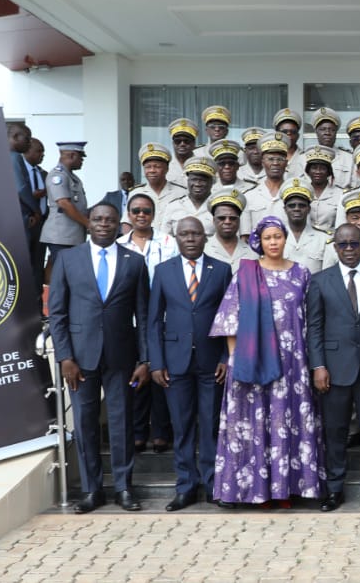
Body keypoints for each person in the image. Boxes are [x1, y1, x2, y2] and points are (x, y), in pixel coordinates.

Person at [208, 215, 323, 507]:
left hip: (292, 365)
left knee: (287, 421)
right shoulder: (245, 273)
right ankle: (257, 491)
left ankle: (285, 489)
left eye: (278, 237)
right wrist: (235, 359)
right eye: (268, 237)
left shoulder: (301, 274)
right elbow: (230, 319)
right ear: (259, 240)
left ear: (285, 239)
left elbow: (310, 319)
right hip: (252, 363)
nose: (274, 242)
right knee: (255, 424)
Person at [47, 202, 151, 513]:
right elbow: (57, 313)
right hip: (78, 360)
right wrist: (65, 355)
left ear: (120, 224)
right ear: (88, 223)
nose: (103, 224)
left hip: (121, 357)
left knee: (121, 424)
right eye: (97, 219)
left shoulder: (135, 262)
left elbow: (142, 316)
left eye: (109, 219)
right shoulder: (67, 259)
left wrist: (144, 360)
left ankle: (123, 488)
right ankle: (93, 491)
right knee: (85, 423)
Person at [147, 216, 232, 511]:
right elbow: (154, 320)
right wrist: (155, 362)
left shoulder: (221, 270)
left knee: (210, 426)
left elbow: (230, 317)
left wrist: (226, 357)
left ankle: (212, 484)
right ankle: (185, 486)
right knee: (182, 427)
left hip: (212, 363)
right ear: (177, 238)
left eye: (196, 234)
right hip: (175, 363)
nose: (191, 238)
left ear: (205, 237)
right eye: (185, 234)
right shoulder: (163, 271)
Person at [306, 224, 360, 512]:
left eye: (353, 244)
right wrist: (318, 365)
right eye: (342, 245)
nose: (348, 250)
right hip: (333, 369)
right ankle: (334, 489)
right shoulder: (320, 281)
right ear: (335, 248)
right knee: (335, 432)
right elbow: (314, 329)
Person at [118, 193, 179, 453]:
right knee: (135, 378)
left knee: (161, 376)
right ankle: (139, 431)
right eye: (136, 211)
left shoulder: (169, 242)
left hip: (164, 319)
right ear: (129, 215)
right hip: (130, 321)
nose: (141, 215)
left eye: (146, 211)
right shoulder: (119, 245)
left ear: (154, 214)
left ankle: (161, 433)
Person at [40, 141, 90, 284]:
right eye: (81, 158)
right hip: (61, 234)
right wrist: (87, 223)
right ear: (72, 155)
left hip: (71, 234)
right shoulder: (58, 176)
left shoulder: (72, 177)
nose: (82, 161)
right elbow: (64, 203)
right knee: (61, 273)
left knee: (64, 270)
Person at [127, 142, 186, 234]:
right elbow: (127, 223)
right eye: (148, 167)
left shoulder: (181, 192)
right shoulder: (135, 193)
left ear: (167, 169)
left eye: (157, 167)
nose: (152, 171)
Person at [242, 131, 291, 236]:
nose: (275, 163)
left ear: (286, 163)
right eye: (270, 159)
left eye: (280, 159)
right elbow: (245, 237)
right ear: (263, 162)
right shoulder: (249, 196)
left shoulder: (293, 194)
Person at [281, 180, 333, 273]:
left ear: (309, 209)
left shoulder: (324, 239)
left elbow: (327, 276)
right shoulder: (276, 238)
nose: (297, 209)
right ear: (285, 209)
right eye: (292, 206)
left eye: (302, 206)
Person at [161, 156, 217, 236]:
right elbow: (165, 239)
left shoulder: (219, 207)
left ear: (212, 182)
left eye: (203, 180)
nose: (197, 184)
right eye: (194, 179)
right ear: (188, 181)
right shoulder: (173, 206)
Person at [20, 135, 48, 298]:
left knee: (38, 266)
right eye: (39, 151)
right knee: (25, 265)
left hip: (42, 224)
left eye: (43, 152)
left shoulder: (44, 174)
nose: (42, 155)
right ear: (27, 151)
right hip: (26, 224)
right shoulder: (18, 171)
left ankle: (37, 309)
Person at [204, 190, 254, 273]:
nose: (227, 222)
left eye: (233, 218)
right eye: (222, 218)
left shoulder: (252, 253)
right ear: (213, 221)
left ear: (239, 220)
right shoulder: (204, 251)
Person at [301, 145, 344, 230]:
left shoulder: (340, 194)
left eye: (322, 168)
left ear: (329, 172)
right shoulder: (302, 191)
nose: (318, 172)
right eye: (314, 168)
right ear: (308, 171)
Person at [166, 118, 199, 187]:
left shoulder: (202, 164)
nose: (182, 144)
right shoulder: (165, 164)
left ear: (194, 143)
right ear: (173, 143)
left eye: (186, 141)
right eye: (178, 141)